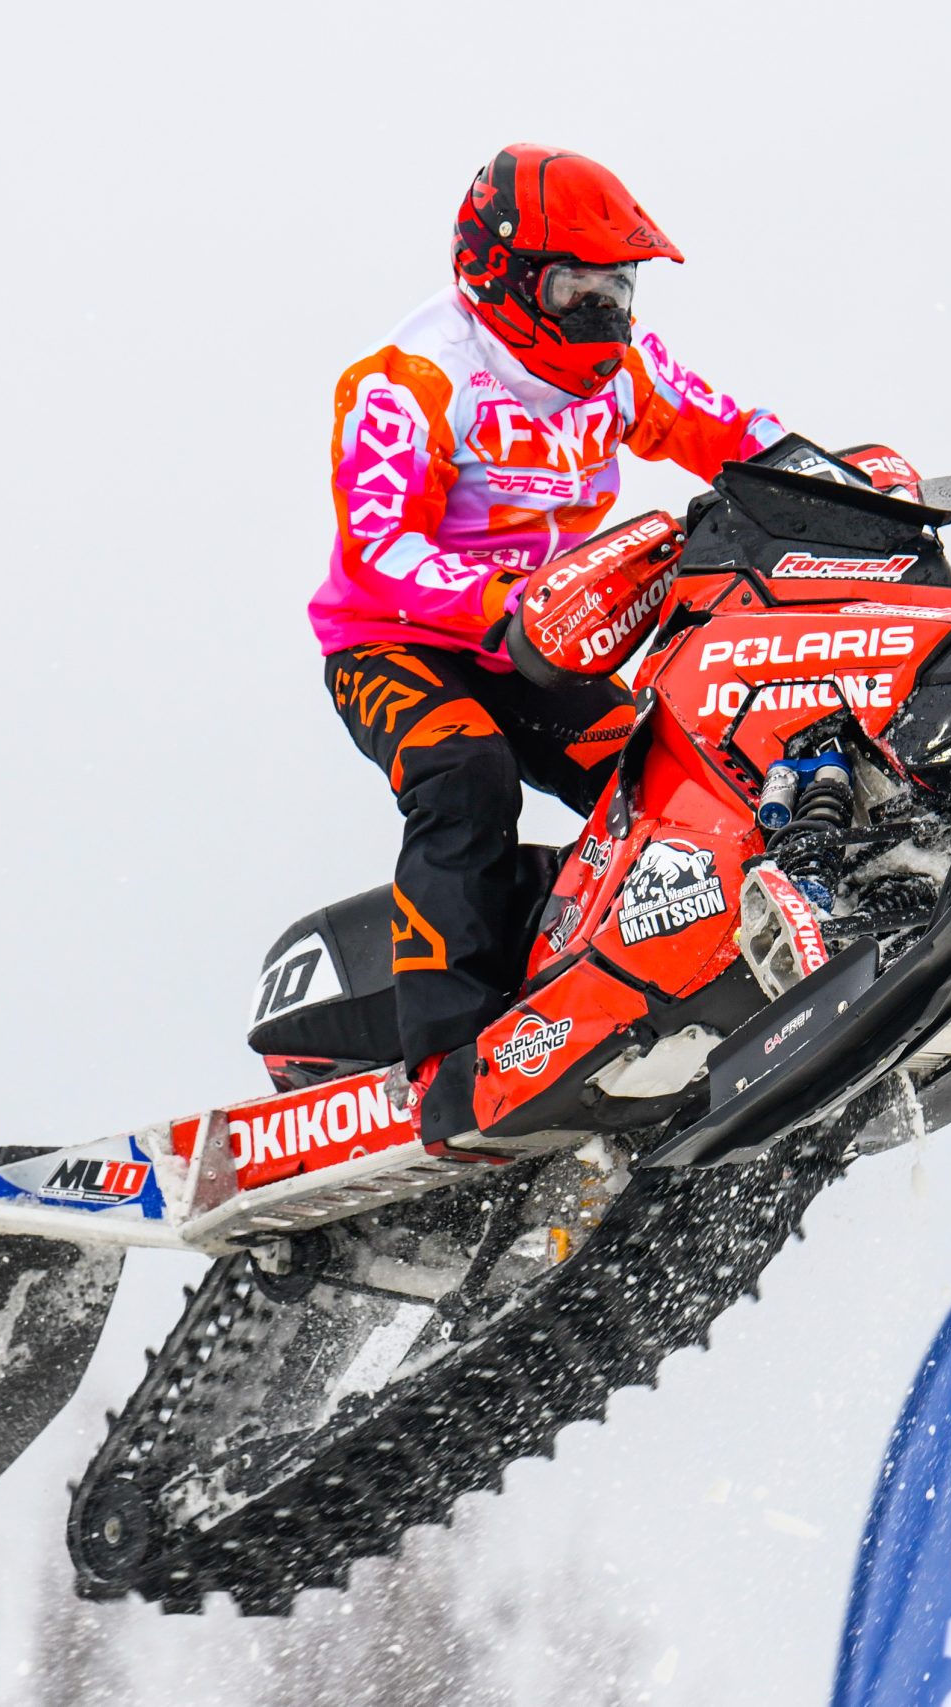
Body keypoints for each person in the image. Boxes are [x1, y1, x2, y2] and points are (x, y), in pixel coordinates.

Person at [310, 144, 787, 1142]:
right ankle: (443, 1066)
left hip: (539, 639)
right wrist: (503, 607)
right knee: (465, 771)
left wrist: (838, 490)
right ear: (503, 272)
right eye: (578, 286)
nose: (604, 311)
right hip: (395, 641)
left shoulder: (623, 373)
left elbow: (731, 434)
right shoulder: (410, 380)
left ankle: (623, 991)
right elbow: (377, 546)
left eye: (619, 286)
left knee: (660, 769)